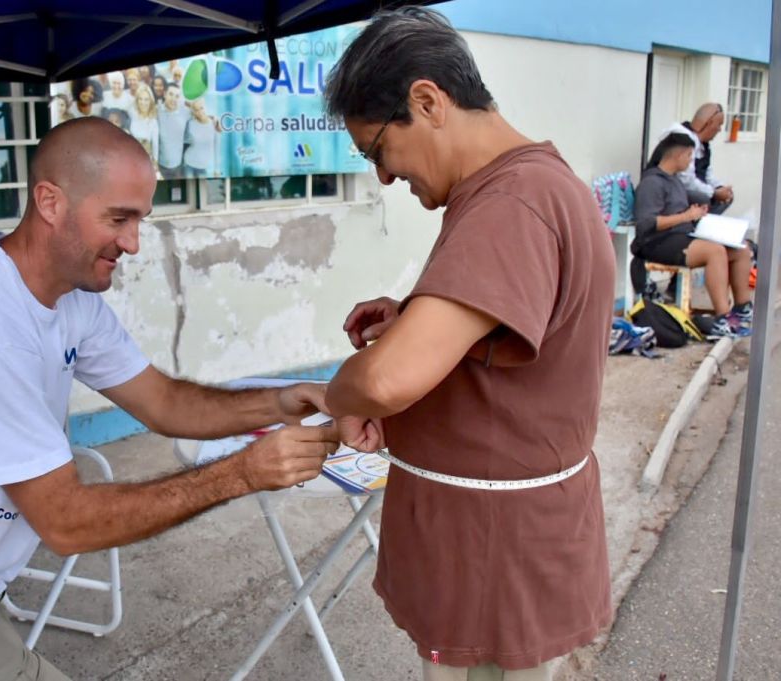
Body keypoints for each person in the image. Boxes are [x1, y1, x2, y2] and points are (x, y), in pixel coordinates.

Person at [0, 117, 340, 681]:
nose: (132, 242)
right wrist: (244, 473)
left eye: (140, 220)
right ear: (50, 202)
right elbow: (67, 523)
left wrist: (287, 400)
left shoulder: (70, 299)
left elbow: (164, 402)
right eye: (119, 218)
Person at [322, 8, 615, 680]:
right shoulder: (525, 187)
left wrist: (341, 390)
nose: (385, 179)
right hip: (493, 541)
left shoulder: (512, 201)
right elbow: (513, 327)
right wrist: (416, 313)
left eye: (378, 152)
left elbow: (387, 380)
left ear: (427, 102)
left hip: (496, 554)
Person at [633, 132, 753, 338]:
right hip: (657, 243)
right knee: (714, 251)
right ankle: (722, 318)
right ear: (678, 155)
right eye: (689, 156)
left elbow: (687, 206)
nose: (690, 162)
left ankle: (742, 309)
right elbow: (646, 223)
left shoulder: (674, 181)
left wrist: (698, 212)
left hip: (682, 237)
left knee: (740, 250)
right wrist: (686, 216)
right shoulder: (652, 182)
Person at [662, 103, 734, 214]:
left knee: (728, 196)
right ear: (709, 123)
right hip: (671, 187)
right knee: (702, 199)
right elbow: (685, 179)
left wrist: (720, 188)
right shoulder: (682, 138)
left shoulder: (704, 145)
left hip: (692, 187)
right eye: (719, 124)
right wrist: (713, 193)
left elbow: (707, 173)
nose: (719, 130)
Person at [157, 82, 189, 179]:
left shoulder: (185, 112)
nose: (173, 99)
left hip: (179, 167)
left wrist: (214, 119)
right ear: (165, 94)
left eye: (177, 96)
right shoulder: (156, 111)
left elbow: (202, 116)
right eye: (171, 94)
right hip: (160, 166)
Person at [182, 97, 218, 177]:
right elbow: (184, 140)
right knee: (189, 188)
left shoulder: (214, 123)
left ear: (205, 107)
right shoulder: (190, 123)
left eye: (201, 108)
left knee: (203, 188)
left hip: (203, 166)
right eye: (196, 110)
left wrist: (216, 169)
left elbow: (217, 147)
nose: (200, 112)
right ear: (193, 112)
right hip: (189, 163)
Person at [129, 82, 160, 169]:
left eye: (146, 99)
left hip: (145, 161)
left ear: (150, 101)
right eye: (140, 99)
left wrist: (155, 162)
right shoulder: (132, 115)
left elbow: (155, 145)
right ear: (137, 100)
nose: (143, 102)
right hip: (131, 159)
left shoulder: (153, 122)